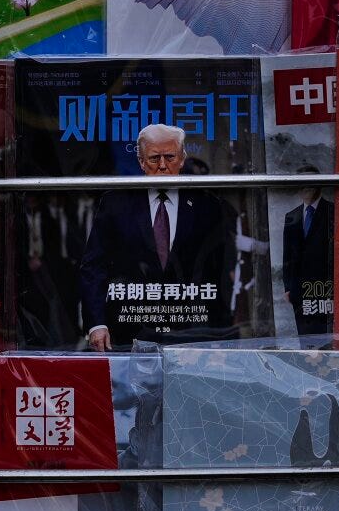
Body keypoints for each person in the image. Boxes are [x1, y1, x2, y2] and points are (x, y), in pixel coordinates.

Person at [80, 124, 232, 351]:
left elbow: (219, 270)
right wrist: (96, 324)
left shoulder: (207, 204)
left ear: (182, 159)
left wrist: (221, 331)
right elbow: (94, 266)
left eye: (170, 157)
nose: (163, 166)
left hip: (191, 329)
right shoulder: (116, 203)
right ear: (141, 161)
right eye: (154, 158)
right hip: (128, 327)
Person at [281, 165, 333, 335]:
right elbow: (287, 254)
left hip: (326, 288)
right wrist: (288, 287)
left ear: (320, 184)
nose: (307, 186)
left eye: (311, 182)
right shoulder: (292, 216)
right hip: (299, 290)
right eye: (302, 183)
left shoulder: (333, 211)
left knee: (328, 336)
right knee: (306, 339)